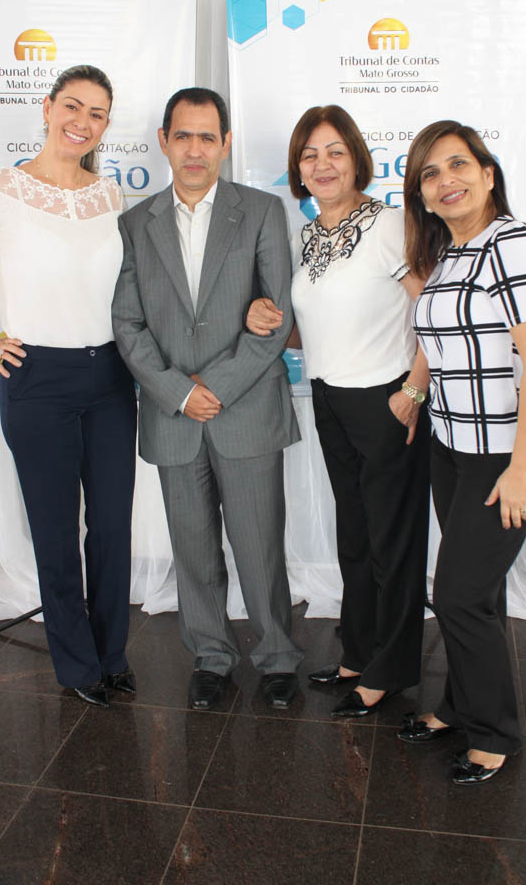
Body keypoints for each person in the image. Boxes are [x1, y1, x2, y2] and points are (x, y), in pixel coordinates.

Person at [0, 64, 137, 708]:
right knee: (55, 531)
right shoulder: (1, 188)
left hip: (110, 376)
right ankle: (77, 666)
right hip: (36, 377)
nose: (82, 122)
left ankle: (112, 655)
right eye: (72, 106)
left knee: (112, 527)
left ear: (105, 126)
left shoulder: (111, 197)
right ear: (47, 109)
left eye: (97, 113)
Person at [111, 87, 303, 710]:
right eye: (183, 136)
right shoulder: (135, 223)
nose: (195, 150)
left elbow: (276, 318)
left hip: (244, 410)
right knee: (192, 548)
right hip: (173, 416)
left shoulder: (262, 212)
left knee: (259, 544)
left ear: (225, 144)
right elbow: (128, 324)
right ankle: (212, 657)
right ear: (164, 142)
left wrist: (210, 388)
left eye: (207, 137)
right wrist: (178, 392)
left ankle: (278, 658)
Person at [246, 105, 431, 718]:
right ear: (298, 169)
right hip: (330, 397)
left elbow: (433, 311)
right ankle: (358, 653)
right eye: (309, 155)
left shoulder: (390, 224)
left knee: (392, 542)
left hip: (386, 400)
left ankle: (390, 671)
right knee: (355, 535)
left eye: (334, 152)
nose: (321, 165)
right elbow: (314, 328)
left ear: (356, 159)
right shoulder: (308, 236)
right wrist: (266, 319)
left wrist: (414, 390)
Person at [397, 120, 526, 783]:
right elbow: (443, 348)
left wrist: (522, 468)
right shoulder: (450, 255)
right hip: (452, 450)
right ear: (421, 194)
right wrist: (415, 394)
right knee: (478, 595)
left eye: (458, 165)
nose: (446, 181)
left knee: (459, 597)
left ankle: (494, 733)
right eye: (430, 173)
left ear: (488, 174)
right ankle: (456, 706)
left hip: (504, 456)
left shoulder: (512, 243)